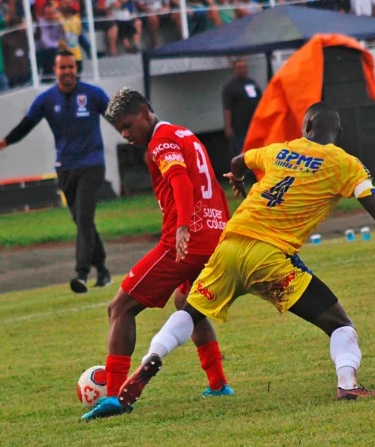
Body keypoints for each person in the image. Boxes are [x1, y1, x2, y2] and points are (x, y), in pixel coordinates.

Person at [112, 101, 375, 414]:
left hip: (229, 245)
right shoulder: (345, 163)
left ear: (306, 125)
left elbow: (239, 160)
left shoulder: (280, 150)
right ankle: (348, 385)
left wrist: (238, 180)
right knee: (340, 325)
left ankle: (154, 355)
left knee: (190, 312)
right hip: (268, 258)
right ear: (335, 133)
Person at [80, 87, 234, 421]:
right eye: (119, 129)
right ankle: (218, 382)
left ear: (145, 111)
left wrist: (181, 226)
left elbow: (180, 180)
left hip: (186, 242)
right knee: (187, 304)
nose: (125, 134)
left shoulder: (160, 141)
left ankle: (115, 396)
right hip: (215, 234)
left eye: (127, 125)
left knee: (120, 307)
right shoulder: (184, 133)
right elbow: (211, 186)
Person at [0, 50, 112, 293]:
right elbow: (27, 124)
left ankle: (81, 275)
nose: (67, 72)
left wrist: (137, 139)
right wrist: (5, 142)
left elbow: (116, 118)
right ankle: (104, 270)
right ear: (54, 71)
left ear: (76, 69)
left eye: (71, 67)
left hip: (92, 164)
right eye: (62, 67)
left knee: (84, 218)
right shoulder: (46, 99)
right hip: (65, 167)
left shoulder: (93, 94)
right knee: (81, 221)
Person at [222, 59, 262, 157]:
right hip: (239, 127)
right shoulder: (230, 87)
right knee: (243, 151)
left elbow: (260, 101)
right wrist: (228, 127)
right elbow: (227, 108)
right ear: (235, 70)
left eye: (244, 67)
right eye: (239, 68)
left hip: (254, 125)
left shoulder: (252, 83)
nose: (242, 70)